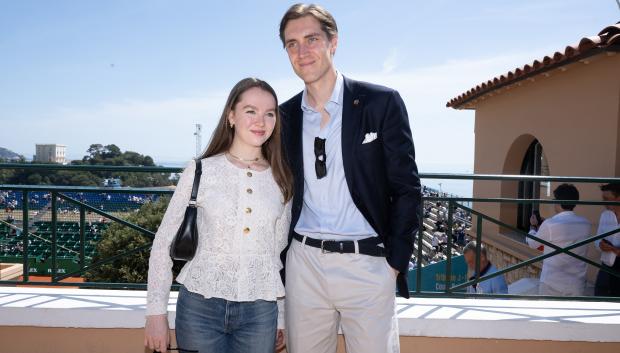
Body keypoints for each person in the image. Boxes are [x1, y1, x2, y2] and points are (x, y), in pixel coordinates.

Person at [278, 4, 421, 353]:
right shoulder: (284, 116)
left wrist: (393, 266)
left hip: (369, 265)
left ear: (333, 42)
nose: (302, 51)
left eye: (311, 39)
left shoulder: (381, 103)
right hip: (304, 266)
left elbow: (407, 188)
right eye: (291, 43)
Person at [144, 78, 293, 353]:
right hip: (200, 309)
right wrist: (156, 313)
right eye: (251, 110)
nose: (261, 120)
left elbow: (277, 256)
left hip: (260, 313)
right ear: (231, 116)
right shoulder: (200, 170)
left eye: (269, 113)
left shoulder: (281, 179)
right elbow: (163, 244)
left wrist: (281, 316)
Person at [527, 184, 591, 296]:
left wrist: (533, 227)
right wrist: (544, 225)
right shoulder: (585, 223)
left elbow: (533, 243)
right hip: (576, 284)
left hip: (552, 284)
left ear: (559, 201)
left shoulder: (550, 225)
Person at [594, 183, 620, 297]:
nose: (604, 202)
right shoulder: (605, 215)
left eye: (607, 199)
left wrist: (617, 250)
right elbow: (597, 239)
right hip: (606, 266)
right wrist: (600, 245)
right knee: (600, 300)